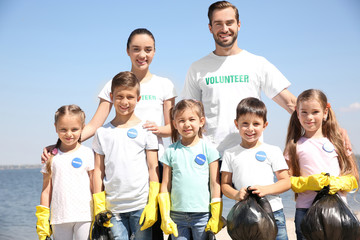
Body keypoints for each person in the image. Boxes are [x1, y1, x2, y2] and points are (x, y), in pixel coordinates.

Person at [182, 1, 297, 156]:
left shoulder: (258, 63)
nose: (224, 29)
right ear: (210, 28)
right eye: (218, 24)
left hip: (251, 156)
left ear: (239, 25)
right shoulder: (197, 68)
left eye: (230, 23)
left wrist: (330, 128)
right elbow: (187, 115)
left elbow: (291, 104)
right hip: (212, 159)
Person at [92, 71, 160, 240]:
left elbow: (153, 167)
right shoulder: (102, 133)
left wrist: (153, 202)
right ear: (111, 96)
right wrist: (99, 206)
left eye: (130, 97)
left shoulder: (146, 129)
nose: (124, 102)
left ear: (138, 98)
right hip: (113, 208)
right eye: (119, 96)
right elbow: (98, 171)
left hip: (141, 205)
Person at [285, 89, 359, 240]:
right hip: (306, 210)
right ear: (297, 113)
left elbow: (354, 177)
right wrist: (306, 183)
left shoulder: (338, 142)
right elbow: (286, 180)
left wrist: (341, 182)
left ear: (325, 112)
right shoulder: (293, 146)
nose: (309, 117)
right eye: (304, 112)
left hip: (338, 209)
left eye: (315, 112)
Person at [221, 97, 291, 240]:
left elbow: (286, 182)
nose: (250, 128)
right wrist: (236, 194)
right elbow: (224, 185)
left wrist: (265, 190)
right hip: (244, 216)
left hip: (273, 212)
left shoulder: (273, 150)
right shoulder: (230, 153)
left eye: (256, 124)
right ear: (236, 124)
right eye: (245, 123)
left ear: (265, 125)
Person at [158, 99, 223, 240]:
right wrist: (164, 214)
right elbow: (165, 184)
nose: (186, 124)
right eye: (181, 120)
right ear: (175, 124)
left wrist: (216, 213)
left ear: (201, 121)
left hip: (203, 214)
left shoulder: (209, 150)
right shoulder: (170, 151)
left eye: (191, 119)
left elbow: (214, 183)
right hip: (177, 215)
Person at [36, 105, 94, 240]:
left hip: (85, 215)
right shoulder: (50, 156)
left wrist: (99, 209)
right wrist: (43, 217)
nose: (69, 134)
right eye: (63, 129)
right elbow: (46, 190)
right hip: (59, 217)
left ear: (82, 127)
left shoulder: (88, 153)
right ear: (55, 127)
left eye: (74, 129)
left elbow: (94, 184)